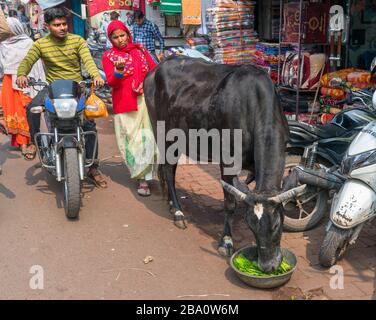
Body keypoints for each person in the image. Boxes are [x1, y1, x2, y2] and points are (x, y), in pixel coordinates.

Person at [16, 7, 108, 188]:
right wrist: (22, 75)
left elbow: (88, 60)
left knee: (89, 125)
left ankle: (93, 167)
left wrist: (96, 76)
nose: (62, 28)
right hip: (52, 88)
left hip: (77, 88)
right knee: (31, 108)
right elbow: (27, 61)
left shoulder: (77, 41)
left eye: (64, 24)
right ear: (47, 26)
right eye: (57, 25)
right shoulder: (41, 44)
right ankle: (35, 143)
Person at [102, 20, 159, 196]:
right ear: (111, 39)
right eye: (115, 37)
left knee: (148, 139)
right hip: (124, 104)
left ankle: (146, 177)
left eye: (122, 35)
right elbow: (111, 81)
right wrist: (118, 71)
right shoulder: (109, 56)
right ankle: (141, 177)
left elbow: (154, 69)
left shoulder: (140, 50)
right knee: (132, 142)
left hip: (145, 101)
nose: (120, 40)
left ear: (128, 33)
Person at [0, 17, 45, 157]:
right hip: (8, 83)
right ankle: (21, 142)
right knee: (12, 114)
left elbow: (35, 64)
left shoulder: (28, 43)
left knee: (25, 113)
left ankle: (28, 141)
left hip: (24, 82)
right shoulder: (3, 45)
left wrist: (32, 81)